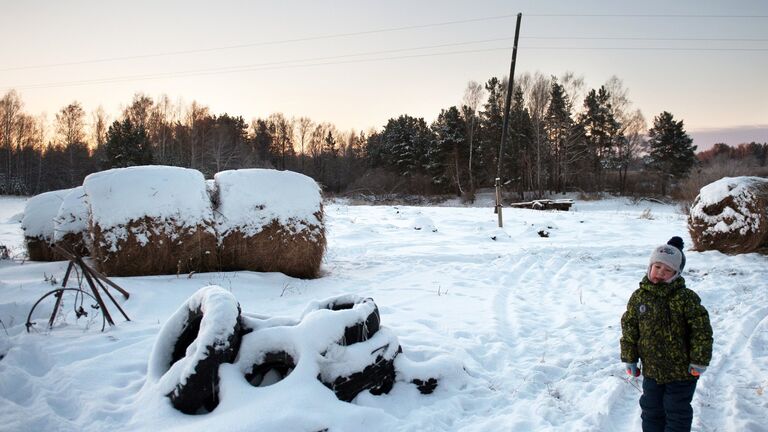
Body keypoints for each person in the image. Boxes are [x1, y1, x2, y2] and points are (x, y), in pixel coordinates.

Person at [620, 236, 713, 432]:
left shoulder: (685, 298)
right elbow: (630, 328)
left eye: (667, 270)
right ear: (650, 267)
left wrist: (699, 360)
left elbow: (701, 330)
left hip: (682, 373)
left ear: (676, 274)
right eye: (657, 267)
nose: (661, 273)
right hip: (652, 371)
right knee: (651, 410)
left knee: (676, 411)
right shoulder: (639, 297)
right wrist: (630, 358)